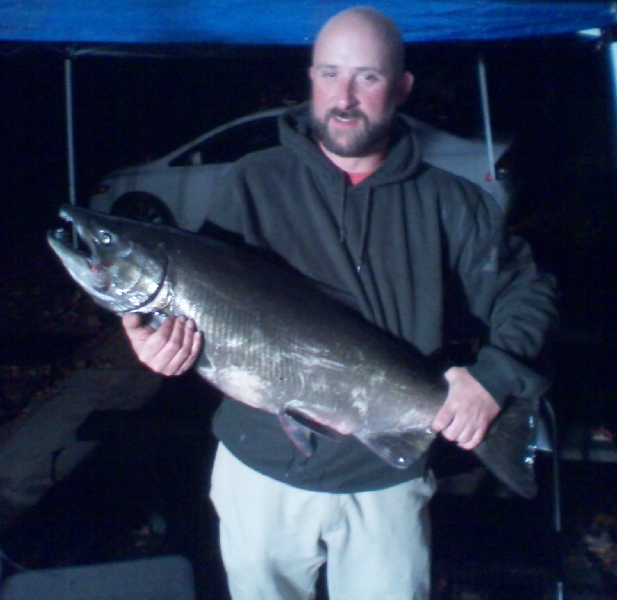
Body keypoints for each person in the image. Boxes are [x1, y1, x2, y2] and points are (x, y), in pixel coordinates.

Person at [122, 6, 558, 599]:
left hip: (387, 478)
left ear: (402, 88)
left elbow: (526, 291)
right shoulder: (251, 181)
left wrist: (495, 378)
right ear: (309, 79)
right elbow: (197, 302)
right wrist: (157, 342)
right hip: (260, 472)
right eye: (329, 74)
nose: (344, 96)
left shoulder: (452, 203)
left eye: (367, 77)